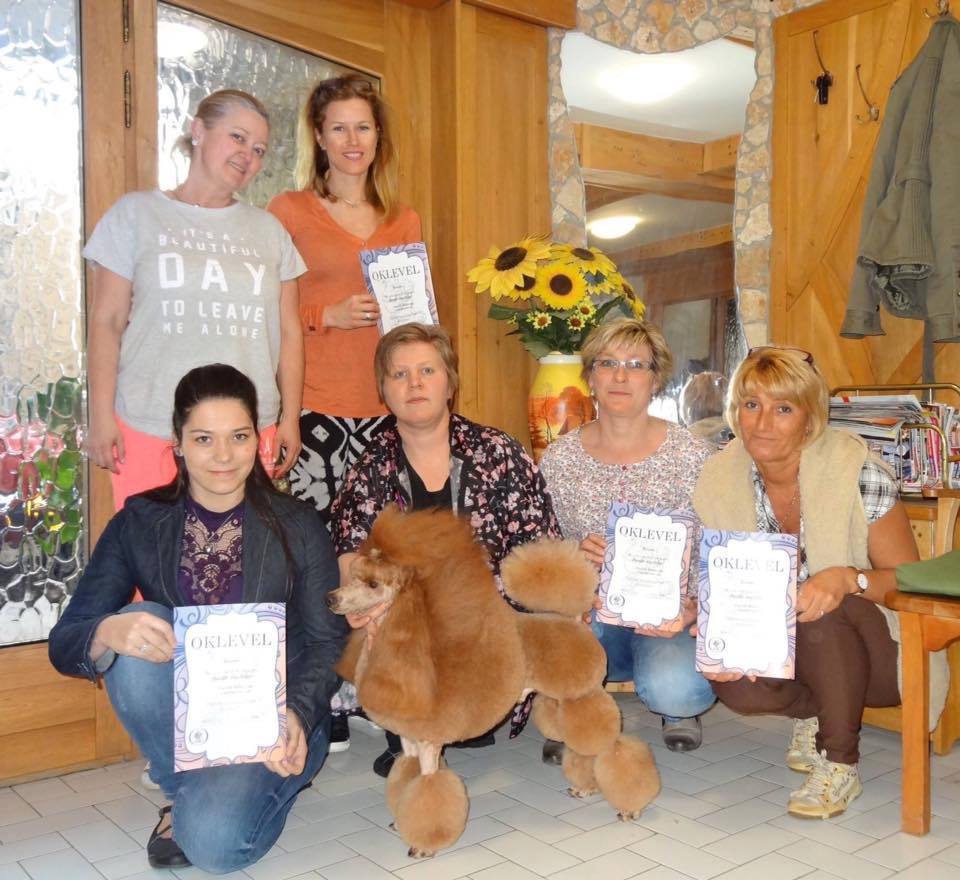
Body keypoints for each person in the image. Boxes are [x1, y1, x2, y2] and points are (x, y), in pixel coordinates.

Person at [48, 364, 346, 873]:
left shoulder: (298, 524)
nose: (223, 456)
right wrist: (106, 630)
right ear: (178, 443)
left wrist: (296, 714)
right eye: (204, 438)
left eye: (239, 436)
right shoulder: (139, 521)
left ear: (257, 439)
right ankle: (182, 791)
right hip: (190, 724)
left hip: (278, 717)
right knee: (137, 620)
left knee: (214, 848)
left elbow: (328, 642)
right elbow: (67, 638)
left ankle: (210, 803)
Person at [691, 346, 939, 819]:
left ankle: (839, 762)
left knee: (827, 609)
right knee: (733, 684)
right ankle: (813, 712)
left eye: (783, 408)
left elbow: (909, 585)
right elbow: (720, 582)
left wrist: (848, 578)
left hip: (882, 655)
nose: (763, 423)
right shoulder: (718, 477)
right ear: (736, 412)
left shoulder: (859, 473)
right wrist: (709, 624)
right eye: (751, 404)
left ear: (809, 419)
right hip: (791, 645)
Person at [329, 322, 560, 776]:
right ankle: (408, 727)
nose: (414, 384)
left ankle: (466, 710)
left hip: (489, 617)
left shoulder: (498, 453)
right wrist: (367, 605)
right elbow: (350, 550)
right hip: (405, 624)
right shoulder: (370, 465)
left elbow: (540, 547)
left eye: (427, 371)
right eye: (399, 375)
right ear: (384, 391)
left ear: (450, 383)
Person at [85, 89, 305, 510]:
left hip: (245, 432)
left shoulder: (269, 231)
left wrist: (289, 418)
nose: (248, 155)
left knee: (239, 549)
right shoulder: (135, 214)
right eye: (238, 137)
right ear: (199, 130)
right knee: (150, 548)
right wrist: (100, 415)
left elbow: (290, 332)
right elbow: (107, 321)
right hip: (151, 424)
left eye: (259, 149)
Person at [539, 318, 716, 755]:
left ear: (656, 380)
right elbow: (540, 549)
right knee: (559, 649)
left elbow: (719, 547)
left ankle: (676, 707)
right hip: (592, 617)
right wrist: (573, 562)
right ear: (590, 376)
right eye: (607, 363)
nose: (620, 376)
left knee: (678, 690)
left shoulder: (694, 455)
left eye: (636, 365)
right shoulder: (559, 459)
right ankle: (574, 714)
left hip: (671, 621)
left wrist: (696, 608)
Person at [268, 76, 421, 523]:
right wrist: (327, 315)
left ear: (378, 135)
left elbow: (415, 325)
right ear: (319, 137)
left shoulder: (404, 219)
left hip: (388, 404)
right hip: (313, 405)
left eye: (363, 128)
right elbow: (261, 312)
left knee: (382, 546)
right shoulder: (288, 210)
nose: (353, 141)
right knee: (312, 543)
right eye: (339, 129)